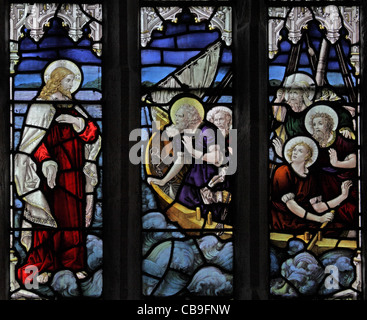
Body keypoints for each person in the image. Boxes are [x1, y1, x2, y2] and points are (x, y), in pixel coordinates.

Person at [14, 59, 101, 285]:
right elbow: (32, 143)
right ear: (56, 81)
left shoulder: (73, 107)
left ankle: (74, 264)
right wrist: (46, 161)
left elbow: (92, 135)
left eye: (73, 81)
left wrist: (77, 122)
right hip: (49, 177)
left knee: (73, 221)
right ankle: (46, 265)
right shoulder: (41, 105)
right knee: (47, 221)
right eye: (67, 80)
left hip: (73, 175)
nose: (71, 85)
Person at [147, 96, 231, 226]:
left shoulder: (208, 130)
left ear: (190, 117)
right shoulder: (181, 134)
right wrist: (164, 180)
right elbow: (180, 160)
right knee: (183, 200)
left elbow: (217, 159)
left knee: (210, 214)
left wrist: (192, 151)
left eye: (180, 116)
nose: (176, 120)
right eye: (176, 116)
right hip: (193, 179)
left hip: (212, 178)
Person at [271, 136, 353, 232]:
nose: (295, 152)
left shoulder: (310, 177)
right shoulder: (283, 171)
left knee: (344, 229)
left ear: (307, 156)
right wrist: (319, 219)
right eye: (294, 150)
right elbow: (291, 205)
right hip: (285, 220)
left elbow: (317, 207)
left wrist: (342, 196)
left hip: (306, 218)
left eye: (300, 151)